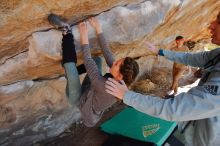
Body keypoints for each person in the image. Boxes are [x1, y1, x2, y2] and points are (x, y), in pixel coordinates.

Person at [105, 11, 220, 146]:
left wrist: (127, 95)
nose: (211, 25)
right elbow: (189, 58)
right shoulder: (218, 54)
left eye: (218, 21)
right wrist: (160, 52)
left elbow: (173, 110)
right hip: (193, 129)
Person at [48, 14, 139, 127]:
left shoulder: (105, 86)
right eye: (117, 61)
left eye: (116, 64)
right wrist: (98, 28)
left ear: (119, 76)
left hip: (78, 99)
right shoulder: (121, 80)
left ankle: (66, 31)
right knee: (98, 60)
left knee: (71, 67)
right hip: (90, 91)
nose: (114, 62)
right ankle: (70, 68)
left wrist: (84, 35)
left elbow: (88, 60)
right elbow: (107, 53)